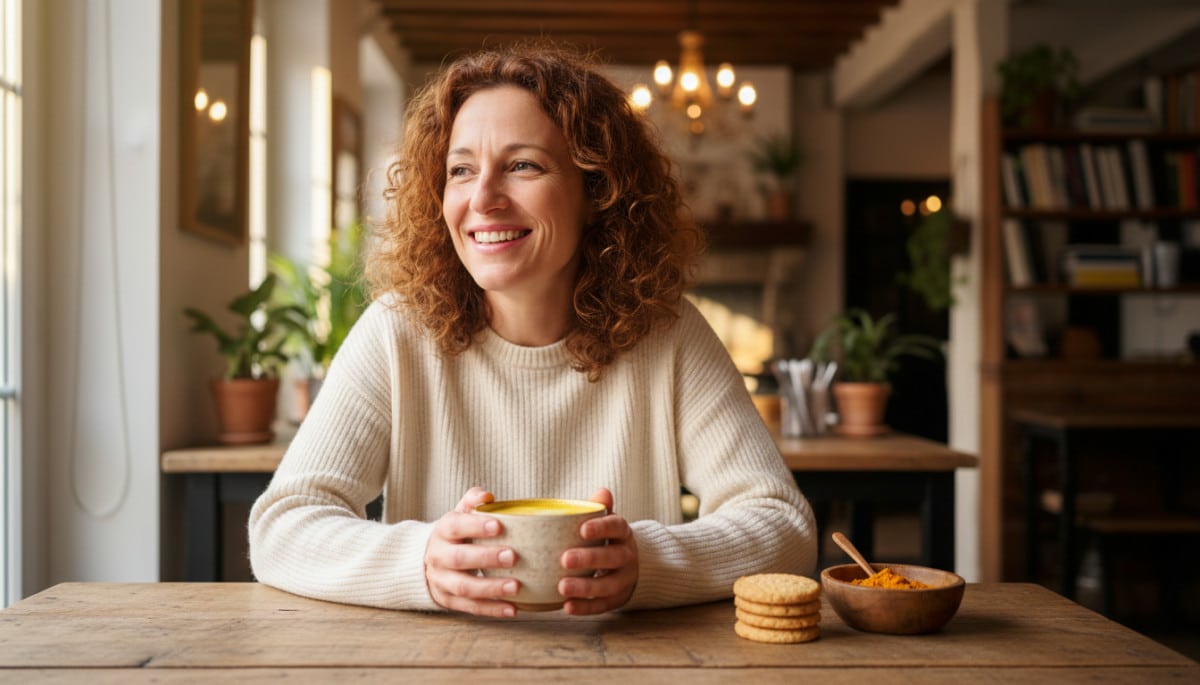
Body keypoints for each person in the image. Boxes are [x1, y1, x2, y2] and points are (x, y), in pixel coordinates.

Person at [248, 42, 817, 618]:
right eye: (462, 170)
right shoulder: (397, 333)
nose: (483, 199)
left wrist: (650, 561)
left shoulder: (668, 336)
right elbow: (283, 526)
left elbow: (783, 525)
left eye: (522, 165)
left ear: (598, 191)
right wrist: (421, 562)